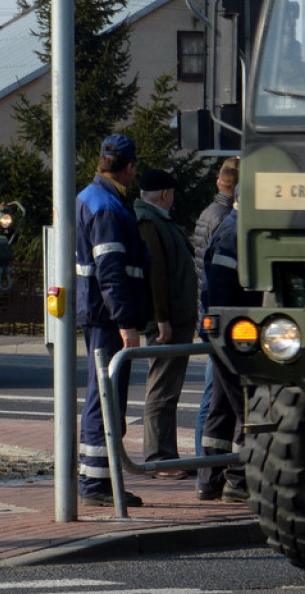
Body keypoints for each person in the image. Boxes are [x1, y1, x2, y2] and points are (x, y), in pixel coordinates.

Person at [76, 133, 149, 507]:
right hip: (108, 318)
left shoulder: (93, 197)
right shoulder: (107, 206)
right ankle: (96, 485)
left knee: (103, 395)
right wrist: (126, 322)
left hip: (99, 314)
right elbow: (111, 271)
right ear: (129, 167)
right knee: (104, 397)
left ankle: (99, 480)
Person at [135, 168, 198, 477]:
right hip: (168, 320)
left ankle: (165, 455)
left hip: (175, 316)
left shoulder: (157, 220)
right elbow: (156, 274)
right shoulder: (149, 221)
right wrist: (162, 319)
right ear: (165, 194)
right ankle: (158, 457)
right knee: (161, 390)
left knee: (168, 390)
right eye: (172, 193)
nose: (173, 198)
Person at [196, 191, 251, 503]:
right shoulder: (235, 233)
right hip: (234, 337)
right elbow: (221, 290)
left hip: (223, 334)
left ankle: (209, 479)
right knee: (245, 408)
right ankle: (237, 480)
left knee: (220, 409)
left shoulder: (230, 229)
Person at [191, 157, 239, 456]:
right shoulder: (225, 218)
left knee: (213, 396)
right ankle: (204, 462)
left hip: (207, 310)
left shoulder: (210, 212)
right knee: (214, 397)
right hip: (218, 316)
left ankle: (204, 464)